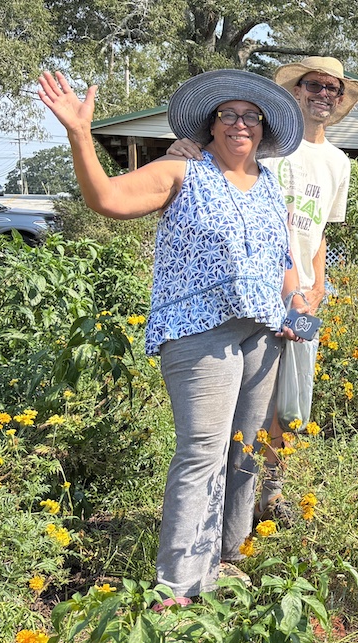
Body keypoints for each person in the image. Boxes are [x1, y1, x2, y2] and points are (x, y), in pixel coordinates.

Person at [38, 68, 305, 607]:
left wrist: (296, 309)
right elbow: (106, 199)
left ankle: (227, 558)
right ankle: (179, 587)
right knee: (203, 451)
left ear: (264, 127)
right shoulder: (183, 168)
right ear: (210, 123)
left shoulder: (271, 184)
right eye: (227, 115)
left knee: (244, 450)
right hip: (198, 332)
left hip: (264, 335)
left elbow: (283, 262)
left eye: (250, 116)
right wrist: (78, 134)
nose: (238, 124)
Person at [167, 56, 358, 525]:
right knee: (249, 402)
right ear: (295, 91)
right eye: (314, 84)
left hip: (301, 296)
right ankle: (223, 505)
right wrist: (183, 148)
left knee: (294, 398)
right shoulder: (268, 145)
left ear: (339, 100)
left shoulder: (339, 162)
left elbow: (318, 234)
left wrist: (314, 290)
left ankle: (272, 493)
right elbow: (212, 163)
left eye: (332, 89)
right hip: (250, 290)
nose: (323, 94)